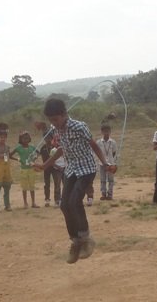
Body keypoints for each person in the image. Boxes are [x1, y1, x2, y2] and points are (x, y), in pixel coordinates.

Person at [35, 98, 113, 264]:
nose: (54, 123)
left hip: (86, 169)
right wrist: (45, 165)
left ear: (64, 114)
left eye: (56, 119)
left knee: (74, 202)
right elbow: (61, 150)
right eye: (51, 120)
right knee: (64, 205)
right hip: (71, 169)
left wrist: (105, 163)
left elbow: (94, 145)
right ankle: (75, 242)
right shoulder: (57, 130)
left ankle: (86, 239)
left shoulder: (79, 127)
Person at [11, 132, 39, 208]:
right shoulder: (18, 148)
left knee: (32, 186)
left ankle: (33, 202)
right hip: (23, 170)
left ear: (29, 139)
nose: (26, 140)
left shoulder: (32, 147)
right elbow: (10, 155)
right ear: (20, 139)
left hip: (31, 169)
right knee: (24, 187)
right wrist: (18, 159)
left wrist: (34, 158)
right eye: (24, 138)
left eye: (27, 138)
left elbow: (38, 153)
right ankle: (25, 203)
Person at [39, 134, 64, 207]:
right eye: (46, 138)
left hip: (55, 169)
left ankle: (60, 199)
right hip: (47, 168)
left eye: (49, 138)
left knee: (58, 184)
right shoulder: (43, 148)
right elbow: (39, 155)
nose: (48, 140)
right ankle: (47, 199)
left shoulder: (57, 147)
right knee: (47, 184)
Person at [96, 125, 117, 200]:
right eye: (105, 131)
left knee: (111, 180)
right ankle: (103, 194)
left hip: (111, 164)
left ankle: (110, 195)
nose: (106, 133)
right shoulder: (98, 142)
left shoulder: (113, 142)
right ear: (102, 132)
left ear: (110, 132)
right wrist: (103, 162)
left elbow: (114, 152)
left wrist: (112, 163)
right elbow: (97, 152)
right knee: (103, 179)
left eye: (108, 131)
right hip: (102, 164)